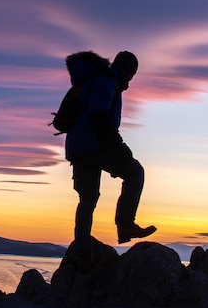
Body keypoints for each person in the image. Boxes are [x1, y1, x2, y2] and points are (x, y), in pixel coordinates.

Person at [65, 50, 156, 272]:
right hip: (94, 144)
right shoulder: (107, 82)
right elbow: (99, 114)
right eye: (131, 73)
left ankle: (84, 256)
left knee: (87, 200)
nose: (130, 79)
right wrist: (118, 146)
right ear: (125, 70)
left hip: (78, 147)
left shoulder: (97, 80)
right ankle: (125, 225)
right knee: (135, 172)